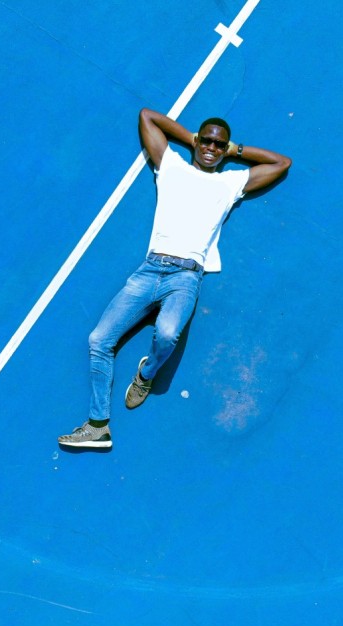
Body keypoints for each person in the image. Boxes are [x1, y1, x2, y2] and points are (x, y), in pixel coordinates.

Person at [58, 108, 291, 449]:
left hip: (185, 278)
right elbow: (147, 116)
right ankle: (97, 426)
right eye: (206, 140)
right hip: (149, 270)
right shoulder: (171, 166)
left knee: (167, 335)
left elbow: (281, 163)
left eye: (218, 143)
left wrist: (234, 150)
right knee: (98, 340)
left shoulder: (230, 183)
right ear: (197, 140)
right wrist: (192, 140)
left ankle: (146, 374)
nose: (212, 147)